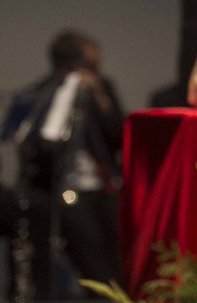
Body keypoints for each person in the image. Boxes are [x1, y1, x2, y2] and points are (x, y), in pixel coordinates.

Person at [4, 30, 125, 296]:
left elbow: (118, 136)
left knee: (119, 262)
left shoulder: (102, 90)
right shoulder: (39, 96)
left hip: (105, 190)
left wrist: (99, 96)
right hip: (63, 194)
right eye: (88, 65)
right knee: (93, 266)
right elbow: (36, 143)